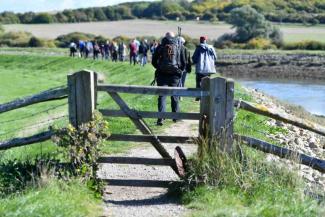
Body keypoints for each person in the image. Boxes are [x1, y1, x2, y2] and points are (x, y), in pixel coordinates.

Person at [152, 32, 186, 126]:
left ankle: (161, 118)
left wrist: (159, 68)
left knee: (162, 96)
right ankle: (175, 117)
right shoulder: (179, 47)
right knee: (174, 96)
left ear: (165, 37)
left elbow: (153, 61)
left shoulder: (160, 47)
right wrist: (179, 71)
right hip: (174, 75)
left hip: (162, 75)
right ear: (173, 37)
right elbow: (183, 62)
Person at [192, 36, 217, 100]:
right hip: (209, 69)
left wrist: (193, 63)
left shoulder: (198, 48)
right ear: (206, 40)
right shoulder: (211, 48)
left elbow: (194, 58)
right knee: (207, 82)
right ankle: (207, 97)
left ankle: (198, 97)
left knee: (198, 83)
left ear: (200, 40)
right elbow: (215, 58)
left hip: (200, 69)